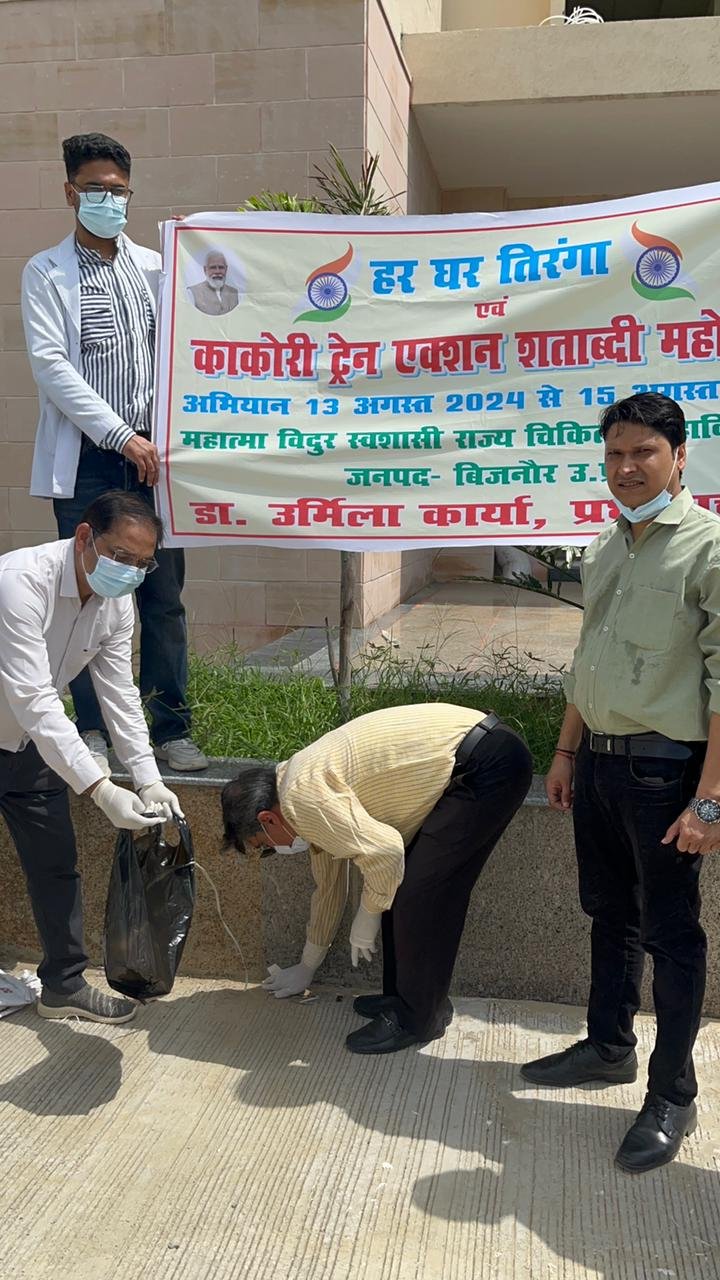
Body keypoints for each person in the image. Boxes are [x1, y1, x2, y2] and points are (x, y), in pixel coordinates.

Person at [521, 392, 720, 1174]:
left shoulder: (707, 548)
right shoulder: (607, 546)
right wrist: (567, 752)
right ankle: (609, 1044)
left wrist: (709, 801)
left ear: (678, 457)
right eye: (614, 456)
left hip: (665, 770)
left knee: (672, 935)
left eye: (643, 453)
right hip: (600, 762)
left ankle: (673, 1091)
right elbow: (588, 660)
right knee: (608, 911)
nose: (627, 468)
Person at [21, 131, 207, 775]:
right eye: (96, 189)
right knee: (85, 594)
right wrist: (119, 434)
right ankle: (93, 728)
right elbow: (52, 368)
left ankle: (171, 727)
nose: (109, 200)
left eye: (119, 191)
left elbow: (194, 342)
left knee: (163, 596)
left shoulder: (159, 266)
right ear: (69, 191)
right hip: (91, 459)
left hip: (155, 456)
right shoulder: (46, 271)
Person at [221, 703, 532, 1055]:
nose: (274, 850)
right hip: (477, 759)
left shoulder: (302, 799)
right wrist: (307, 967)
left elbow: (385, 851)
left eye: (264, 845)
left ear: (267, 818)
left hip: (486, 765)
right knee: (396, 887)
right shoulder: (295, 795)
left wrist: (367, 915)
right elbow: (329, 889)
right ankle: (403, 1001)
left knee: (418, 895)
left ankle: (418, 1019)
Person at [0, 490, 184, 1024]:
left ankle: (64, 987)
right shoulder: (19, 582)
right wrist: (100, 789)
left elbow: (118, 692)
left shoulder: (116, 602)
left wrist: (148, 779)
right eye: (121, 556)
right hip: (31, 725)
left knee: (56, 867)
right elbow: (34, 698)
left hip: (34, 749)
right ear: (84, 536)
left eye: (142, 564)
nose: (130, 572)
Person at [188, 251, 240, 316]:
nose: (217, 271)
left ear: (226, 269)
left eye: (221, 267)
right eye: (213, 267)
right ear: (205, 269)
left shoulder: (235, 293)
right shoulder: (192, 292)